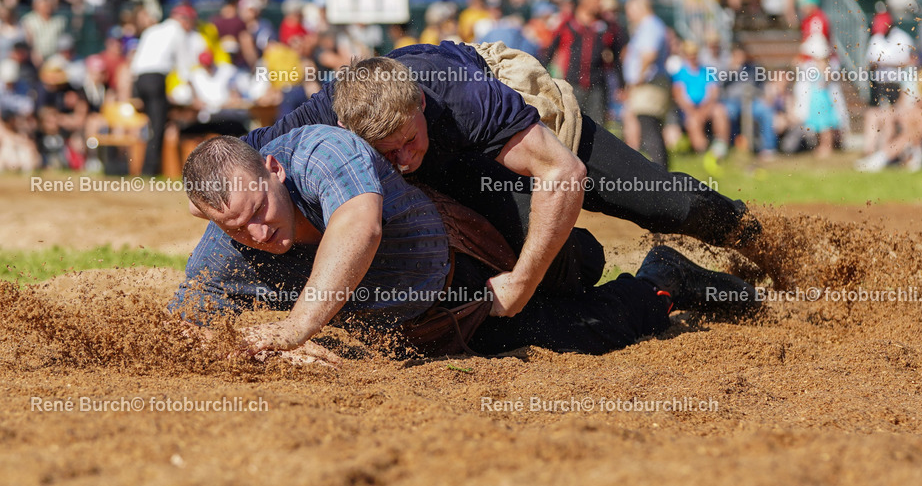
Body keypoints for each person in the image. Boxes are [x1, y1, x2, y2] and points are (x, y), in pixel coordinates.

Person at [241, 40, 763, 317]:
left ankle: (768, 241)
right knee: (561, 267)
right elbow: (234, 159)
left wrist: (519, 283)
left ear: (420, 103)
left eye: (407, 139)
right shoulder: (328, 110)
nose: (401, 157)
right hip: (460, 175)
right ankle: (658, 277)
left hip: (526, 133)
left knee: (665, 203)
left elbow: (563, 172)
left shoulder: (461, 95)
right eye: (386, 150)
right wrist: (210, 197)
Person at [171, 129, 760, 357]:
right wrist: (270, 354)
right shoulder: (228, 244)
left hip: (479, 251)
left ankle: (674, 265)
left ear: (274, 168)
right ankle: (665, 278)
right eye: (233, 227)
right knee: (579, 334)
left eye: (258, 211)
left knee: (581, 269)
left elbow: (359, 227)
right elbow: (182, 330)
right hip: (436, 325)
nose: (257, 233)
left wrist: (296, 328)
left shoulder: (319, 151)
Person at [128, 4, 203, 175]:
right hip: (155, 79)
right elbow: (184, 67)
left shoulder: (152, 30)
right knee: (158, 126)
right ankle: (150, 170)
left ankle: (146, 167)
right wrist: (195, 94)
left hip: (140, 80)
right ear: (183, 20)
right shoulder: (177, 32)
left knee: (151, 125)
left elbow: (135, 63)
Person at [621, 0, 671, 167]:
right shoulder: (648, 26)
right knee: (647, 126)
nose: (628, 14)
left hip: (648, 85)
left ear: (640, 8)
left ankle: (659, 170)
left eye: (630, 10)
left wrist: (638, 79)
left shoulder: (650, 26)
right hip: (647, 84)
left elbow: (649, 55)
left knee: (649, 126)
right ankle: (657, 170)